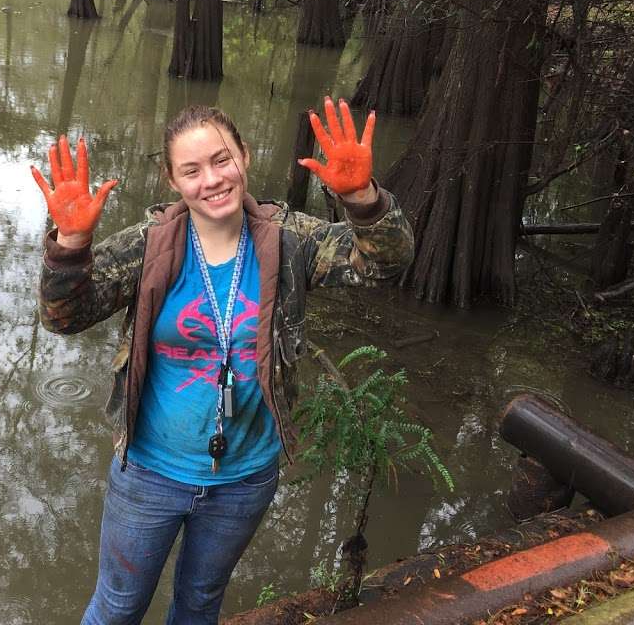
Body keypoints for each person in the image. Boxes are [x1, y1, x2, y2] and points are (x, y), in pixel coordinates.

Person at [31, 98, 414, 624]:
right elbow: (64, 316)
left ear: (245, 157)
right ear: (172, 180)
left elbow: (383, 265)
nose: (211, 179)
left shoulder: (287, 241)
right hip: (149, 472)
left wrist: (362, 198)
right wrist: (71, 245)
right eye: (191, 170)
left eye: (221, 159)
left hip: (245, 476)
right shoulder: (151, 246)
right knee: (118, 607)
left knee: (200, 604)